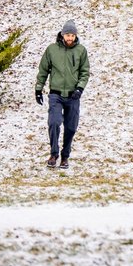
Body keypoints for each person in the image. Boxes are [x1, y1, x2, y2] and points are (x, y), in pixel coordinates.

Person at [35, 20, 90, 169]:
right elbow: (43, 70)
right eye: (67, 35)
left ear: (75, 36)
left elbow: (85, 72)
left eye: (72, 35)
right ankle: (54, 154)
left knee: (71, 127)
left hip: (73, 96)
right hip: (56, 94)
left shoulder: (81, 51)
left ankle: (65, 156)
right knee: (54, 122)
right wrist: (38, 89)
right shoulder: (52, 50)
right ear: (62, 35)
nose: (70, 38)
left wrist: (79, 89)